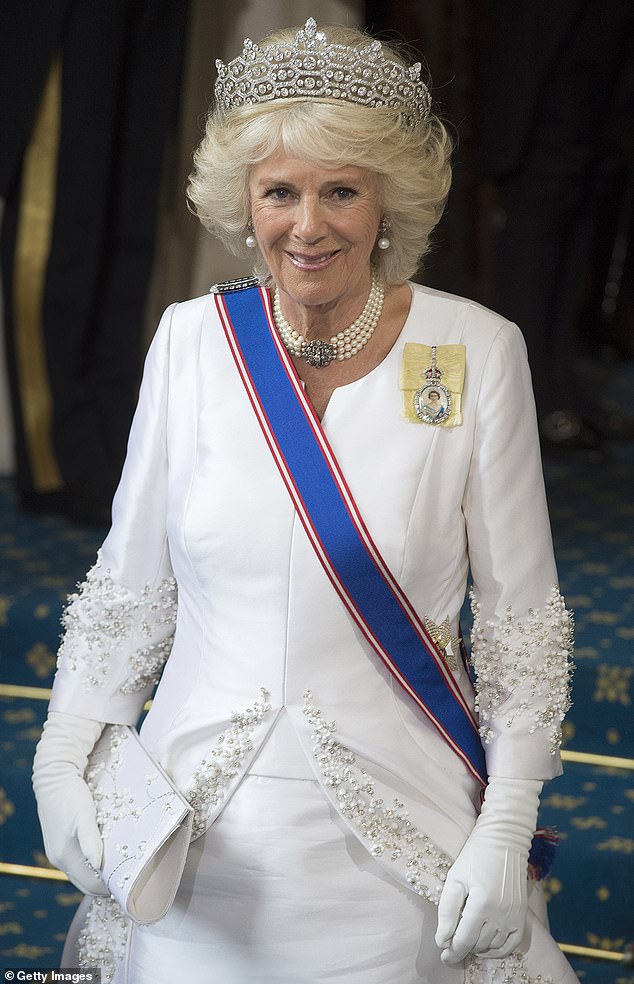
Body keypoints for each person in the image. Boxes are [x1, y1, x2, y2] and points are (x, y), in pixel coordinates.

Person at [32, 19, 578, 984]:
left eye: (341, 191)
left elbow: (520, 624)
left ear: (388, 202)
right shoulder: (190, 344)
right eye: (280, 192)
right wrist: (64, 746)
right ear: (245, 202)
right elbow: (127, 592)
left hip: (395, 826)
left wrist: (508, 823)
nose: (308, 224)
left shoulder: (476, 351)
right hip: (190, 830)